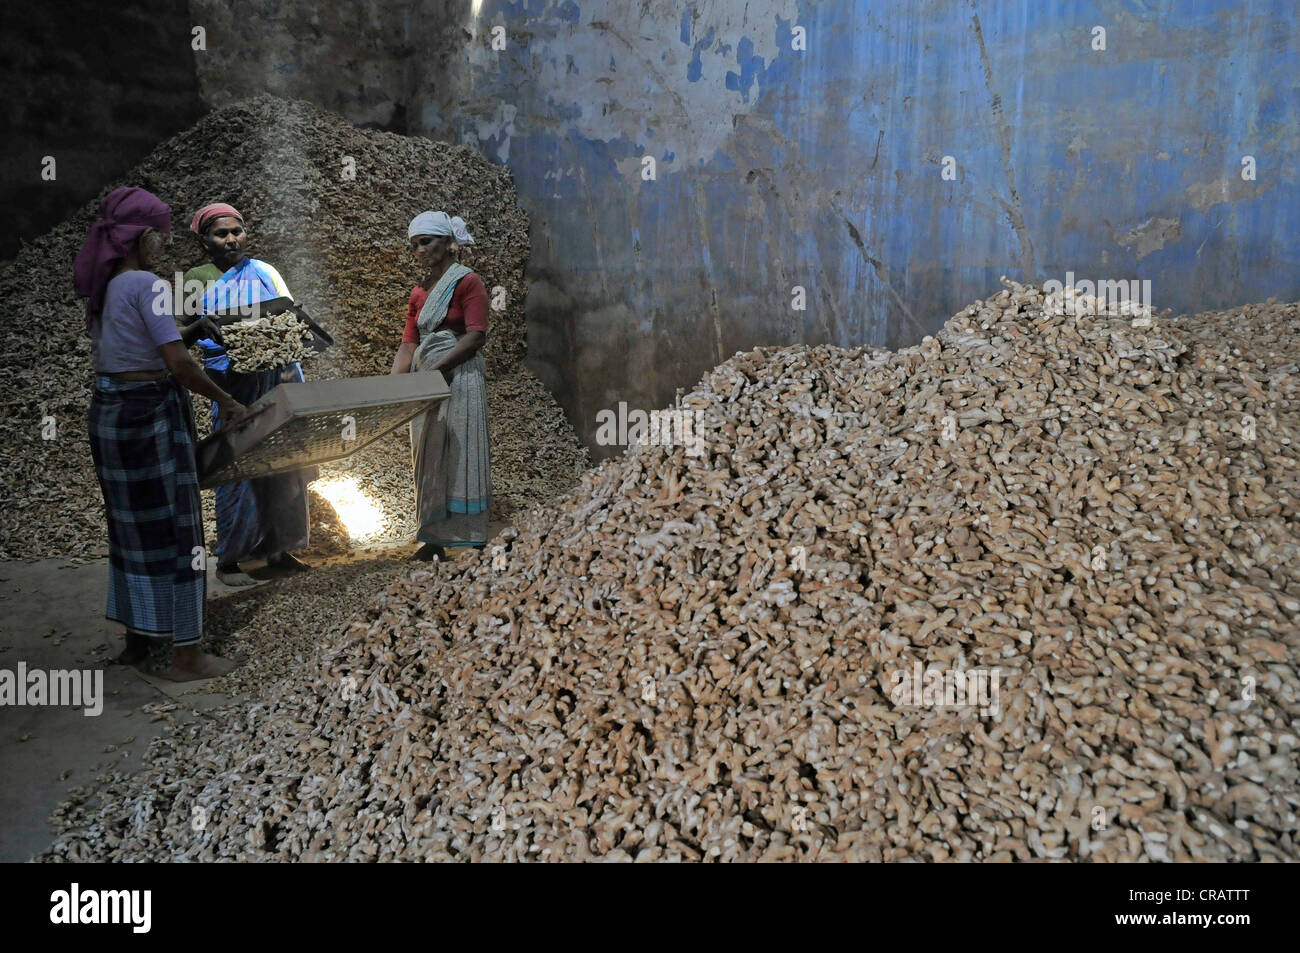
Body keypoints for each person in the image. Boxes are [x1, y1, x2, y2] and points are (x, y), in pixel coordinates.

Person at [74, 186, 248, 681]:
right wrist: (227, 400)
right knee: (179, 529)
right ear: (139, 237)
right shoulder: (148, 284)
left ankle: (137, 642)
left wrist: (189, 331)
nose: (159, 244)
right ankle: (186, 656)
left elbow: (136, 348)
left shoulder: (105, 284)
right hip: (151, 415)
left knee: (131, 527)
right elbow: (177, 365)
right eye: (155, 235)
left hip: (110, 413)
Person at [183, 203, 312, 586]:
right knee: (236, 465)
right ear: (204, 241)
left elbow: (289, 314)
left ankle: (279, 550)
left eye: (236, 231)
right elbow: (179, 334)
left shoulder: (265, 271)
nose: (231, 239)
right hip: (229, 383)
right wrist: (199, 327)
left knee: (282, 460)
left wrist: (296, 317)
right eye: (221, 234)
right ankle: (230, 560)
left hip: (277, 375)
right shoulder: (195, 279)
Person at [390, 211, 491, 561]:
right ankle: (433, 537)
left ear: (449, 243)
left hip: (460, 377)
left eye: (426, 242)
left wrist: (437, 368)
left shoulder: (468, 282)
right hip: (427, 380)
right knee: (429, 451)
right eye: (415, 245)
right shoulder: (419, 293)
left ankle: (470, 536)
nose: (420, 251)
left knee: (462, 448)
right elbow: (408, 343)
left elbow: (476, 335)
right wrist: (394, 388)